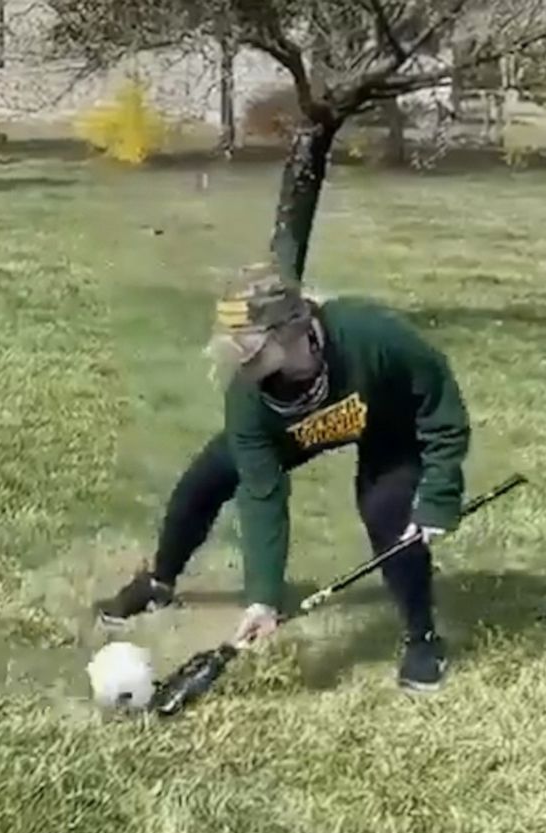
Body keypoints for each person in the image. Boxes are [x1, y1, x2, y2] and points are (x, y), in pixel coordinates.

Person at [97, 262, 472, 693]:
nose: (239, 361)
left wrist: (440, 494)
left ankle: (423, 638)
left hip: (386, 421)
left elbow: (439, 403)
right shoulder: (250, 397)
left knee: (388, 514)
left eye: (248, 348)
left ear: (290, 330)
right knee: (203, 481)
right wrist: (263, 598)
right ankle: (159, 580)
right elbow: (262, 492)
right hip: (293, 429)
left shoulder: (372, 335)